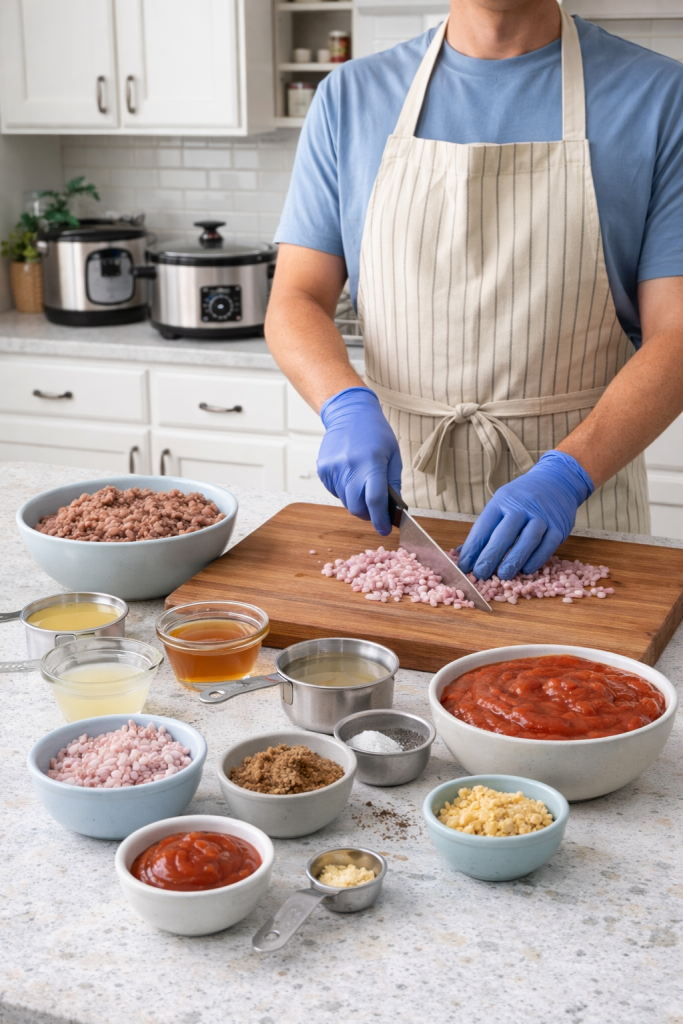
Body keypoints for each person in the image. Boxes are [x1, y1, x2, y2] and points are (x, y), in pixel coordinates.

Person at [266, 0, 683, 581]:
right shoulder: (350, 96)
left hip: (584, 511)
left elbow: (678, 332)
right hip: (397, 511)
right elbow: (295, 297)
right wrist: (344, 405)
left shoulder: (662, 97)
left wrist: (567, 475)